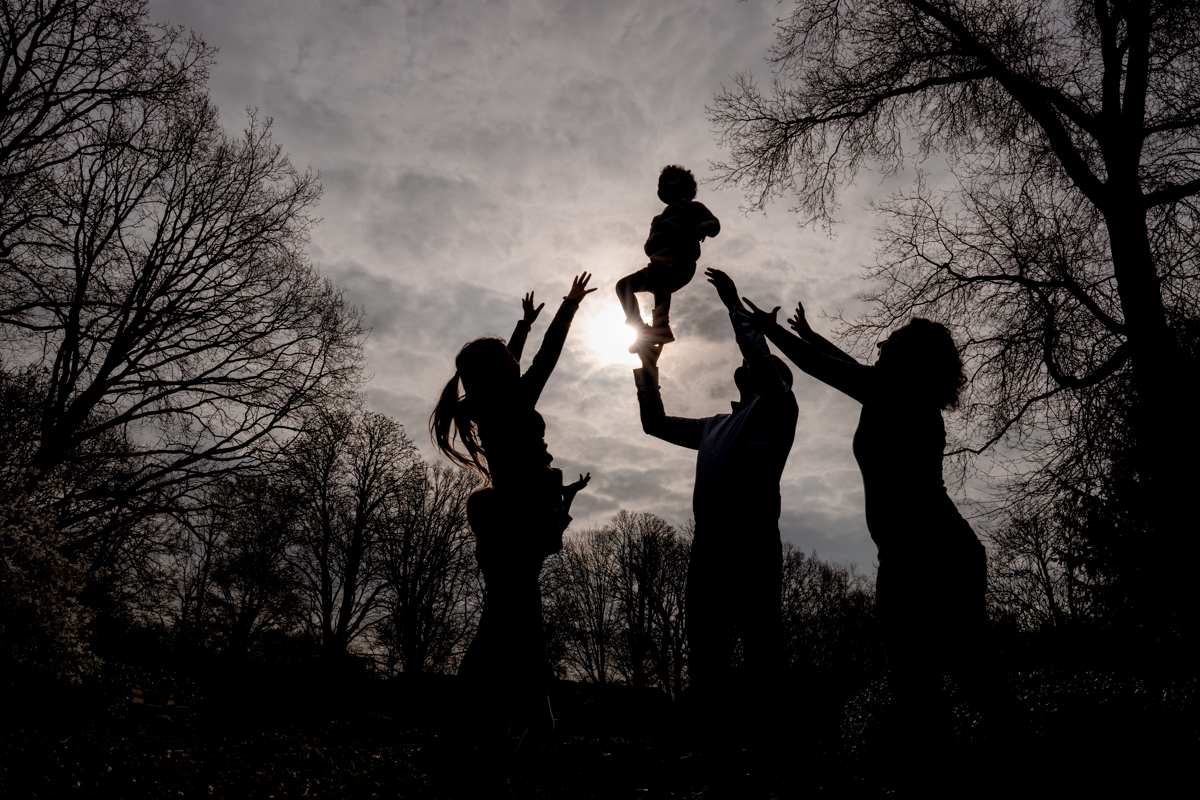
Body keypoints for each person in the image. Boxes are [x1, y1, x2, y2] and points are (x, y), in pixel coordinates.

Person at [737, 296, 1001, 789]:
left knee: (952, 679)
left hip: (934, 556)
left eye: (891, 341)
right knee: (925, 684)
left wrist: (769, 334)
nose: (880, 343)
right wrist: (809, 335)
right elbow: (844, 366)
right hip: (914, 554)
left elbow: (826, 369)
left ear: (910, 359)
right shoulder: (897, 392)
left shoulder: (894, 393)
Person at [430, 273, 596, 796]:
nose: (513, 358)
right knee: (509, 626)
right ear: (499, 371)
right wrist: (566, 309)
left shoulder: (482, 402)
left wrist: (521, 325)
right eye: (506, 355)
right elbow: (545, 358)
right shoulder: (510, 401)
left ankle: (493, 734)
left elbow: (510, 361)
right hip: (521, 517)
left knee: (508, 621)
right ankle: (498, 732)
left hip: (510, 520)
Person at [632, 268, 797, 759]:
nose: (756, 369)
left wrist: (733, 307)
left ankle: (778, 749)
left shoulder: (779, 408)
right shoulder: (713, 426)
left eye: (768, 371)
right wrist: (645, 367)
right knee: (706, 648)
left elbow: (760, 359)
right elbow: (654, 423)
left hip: (753, 543)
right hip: (709, 546)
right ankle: (711, 749)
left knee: (762, 646)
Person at [616, 165, 720, 350]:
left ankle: (661, 325)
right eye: (660, 182)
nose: (663, 183)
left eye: (669, 179)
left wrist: (701, 229)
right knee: (623, 286)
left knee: (661, 275)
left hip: (680, 258)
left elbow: (714, 223)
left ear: (687, 187)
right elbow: (650, 243)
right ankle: (641, 330)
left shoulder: (692, 206)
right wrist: (651, 243)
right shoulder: (657, 218)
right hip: (656, 261)